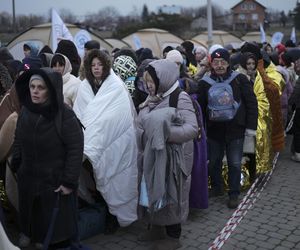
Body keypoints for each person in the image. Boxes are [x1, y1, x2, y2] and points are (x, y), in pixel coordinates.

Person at [11, 68, 84, 249]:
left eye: (41, 88)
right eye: (32, 86)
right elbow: (18, 137)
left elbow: (75, 149)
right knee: (30, 215)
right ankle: (30, 234)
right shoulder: (26, 111)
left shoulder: (65, 115)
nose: (35, 91)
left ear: (51, 90)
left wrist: (68, 182)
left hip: (54, 181)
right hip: (28, 177)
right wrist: (17, 162)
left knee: (53, 228)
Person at [73, 49, 138, 230]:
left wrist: (101, 130)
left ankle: (114, 216)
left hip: (115, 141)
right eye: (92, 65)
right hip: (91, 142)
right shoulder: (84, 87)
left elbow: (120, 116)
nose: (96, 68)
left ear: (106, 65)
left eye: (99, 64)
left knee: (116, 175)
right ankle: (104, 212)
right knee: (96, 178)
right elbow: (80, 114)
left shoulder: (116, 86)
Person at [137, 59, 198, 250]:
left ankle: (173, 236)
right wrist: (146, 105)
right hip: (153, 157)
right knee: (152, 191)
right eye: (146, 81)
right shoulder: (154, 98)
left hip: (173, 158)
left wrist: (165, 134)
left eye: (151, 81)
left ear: (163, 79)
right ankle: (156, 227)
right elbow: (143, 123)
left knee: (172, 194)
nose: (148, 85)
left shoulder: (180, 98)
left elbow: (191, 128)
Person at [197, 48, 258, 209]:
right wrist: (201, 129)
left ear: (228, 63)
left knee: (235, 163)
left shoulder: (240, 80)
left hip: (236, 130)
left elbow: (252, 103)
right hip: (213, 131)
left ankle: (234, 194)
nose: (219, 65)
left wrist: (251, 128)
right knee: (213, 163)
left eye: (223, 62)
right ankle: (217, 188)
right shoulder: (204, 83)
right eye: (216, 63)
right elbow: (200, 108)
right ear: (211, 64)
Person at [238, 52, 272, 180]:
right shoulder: (239, 78)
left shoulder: (258, 78)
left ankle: (252, 173)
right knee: (243, 149)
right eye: (248, 64)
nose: (251, 66)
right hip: (242, 119)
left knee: (252, 148)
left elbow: (263, 98)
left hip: (255, 118)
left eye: (253, 63)